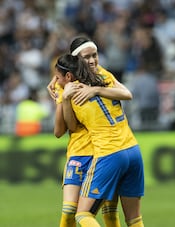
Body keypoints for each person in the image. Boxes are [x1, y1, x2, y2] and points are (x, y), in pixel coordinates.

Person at [48, 36, 129, 227]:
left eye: (95, 55)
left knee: (109, 212)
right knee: (69, 211)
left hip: (104, 153)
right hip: (80, 152)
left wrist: (95, 90)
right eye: (87, 57)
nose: (92, 61)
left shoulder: (102, 75)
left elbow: (127, 93)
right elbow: (62, 130)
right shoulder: (65, 87)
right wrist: (62, 90)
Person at [56, 53, 144, 227]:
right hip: (133, 149)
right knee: (134, 219)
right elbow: (127, 93)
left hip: (109, 153)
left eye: (58, 77)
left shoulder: (75, 92)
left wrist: (64, 98)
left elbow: (67, 128)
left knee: (82, 215)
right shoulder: (105, 78)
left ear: (68, 76)